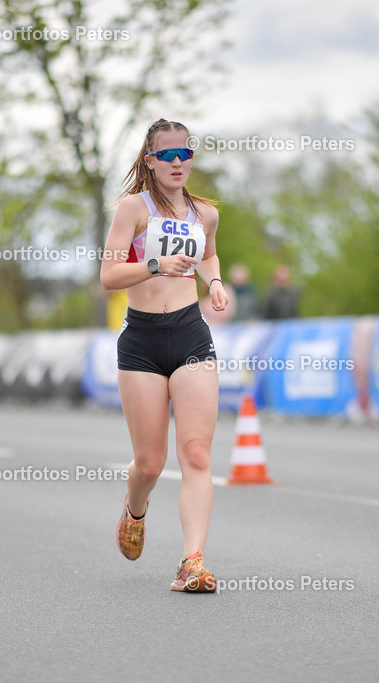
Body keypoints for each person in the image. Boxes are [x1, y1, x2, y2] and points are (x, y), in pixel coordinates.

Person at [100, 118, 228, 593]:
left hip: (191, 334)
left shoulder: (205, 214)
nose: (177, 162)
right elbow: (109, 276)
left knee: (195, 452)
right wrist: (156, 264)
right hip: (143, 341)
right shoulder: (133, 209)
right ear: (150, 160)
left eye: (185, 153)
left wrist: (214, 282)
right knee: (150, 464)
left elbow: (208, 255)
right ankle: (135, 509)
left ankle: (192, 562)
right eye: (167, 155)